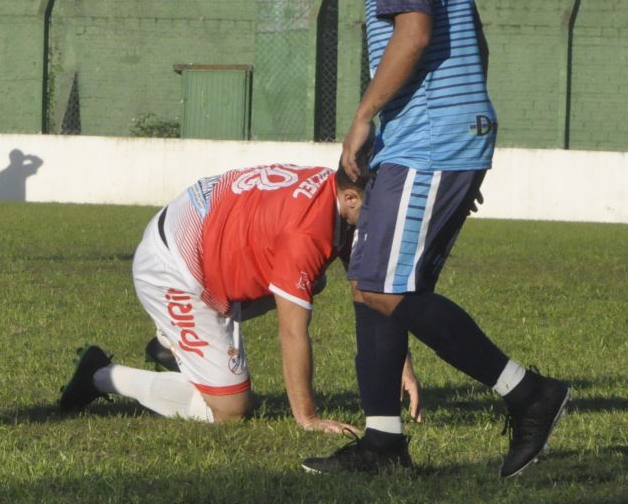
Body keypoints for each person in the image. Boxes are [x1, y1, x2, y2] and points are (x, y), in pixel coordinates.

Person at [303, 0, 569, 477]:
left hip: (428, 138)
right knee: (372, 284)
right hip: (436, 137)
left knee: (391, 289)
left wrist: (367, 115)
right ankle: (383, 443)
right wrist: (469, 134)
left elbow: (416, 34)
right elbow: (471, 39)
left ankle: (529, 394)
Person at [59, 164, 417, 431]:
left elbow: (367, 289)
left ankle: (172, 343)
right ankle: (99, 375)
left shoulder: (334, 188)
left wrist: (400, 363)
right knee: (229, 410)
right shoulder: (306, 234)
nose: (385, 219)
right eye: (380, 209)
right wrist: (308, 418)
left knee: (312, 282)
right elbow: (292, 332)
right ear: (351, 198)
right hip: (173, 269)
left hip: (196, 241)